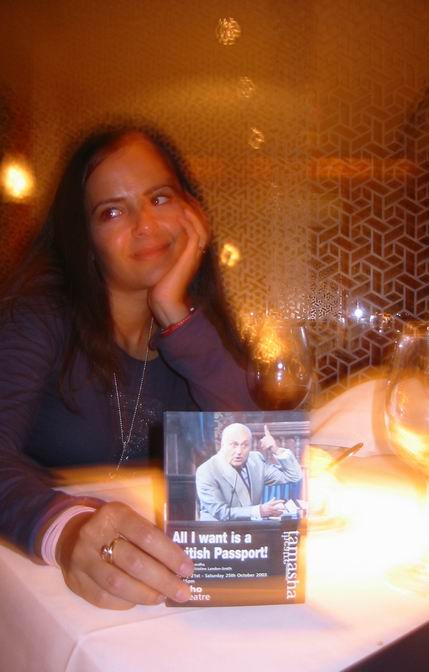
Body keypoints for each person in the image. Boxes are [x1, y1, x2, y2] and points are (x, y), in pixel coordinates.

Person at [0, 123, 256, 609]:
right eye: (113, 211)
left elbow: (254, 444)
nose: (145, 225)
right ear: (86, 237)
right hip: (43, 593)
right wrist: (66, 529)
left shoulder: (199, 332)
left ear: (192, 212)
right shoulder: (38, 317)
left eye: (159, 198)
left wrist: (175, 312)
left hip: (165, 590)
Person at [196, 423, 302, 521]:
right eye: (233, 445)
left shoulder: (256, 461)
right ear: (222, 445)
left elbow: (293, 476)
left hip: (250, 529)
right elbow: (221, 512)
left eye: (244, 445)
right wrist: (260, 511)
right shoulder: (206, 471)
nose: (239, 451)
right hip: (217, 532)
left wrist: (276, 449)